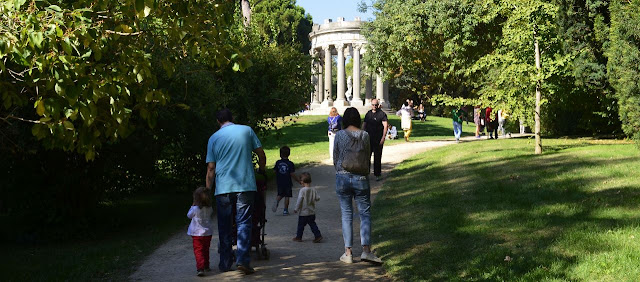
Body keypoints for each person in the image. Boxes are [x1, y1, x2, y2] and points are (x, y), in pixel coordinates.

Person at [205, 108, 266, 275]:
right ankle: (243, 260)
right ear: (233, 118)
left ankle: (225, 263)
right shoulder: (246, 130)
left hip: (223, 188)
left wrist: (207, 190)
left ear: (218, 121)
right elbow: (260, 153)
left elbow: (211, 168)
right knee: (244, 223)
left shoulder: (214, 138)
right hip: (245, 185)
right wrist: (261, 169)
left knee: (224, 226)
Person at [333, 107, 382, 264]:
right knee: (365, 214)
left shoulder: (339, 135)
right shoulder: (365, 135)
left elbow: (335, 156)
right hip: (361, 177)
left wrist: (341, 169)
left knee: (346, 214)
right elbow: (368, 155)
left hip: (342, 177)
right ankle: (366, 251)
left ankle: (348, 253)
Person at [187, 187, 214, 276]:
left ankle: (200, 268)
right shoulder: (210, 208)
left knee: (198, 250)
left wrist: (192, 205)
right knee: (206, 250)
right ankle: (206, 265)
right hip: (207, 233)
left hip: (197, 233)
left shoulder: (194, 209)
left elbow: (189, 216)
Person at [292, 172, 323, 243]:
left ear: (302, 182)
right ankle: (318, 235)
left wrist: (296, 209)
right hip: (312, 212)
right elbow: (317, 198)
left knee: (300, 225)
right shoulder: (313, 189)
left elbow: (299, 200)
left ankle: (298, 237)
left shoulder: (302, 190)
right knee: (312, 224)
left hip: (303, 212)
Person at [362, 98, 388, 181]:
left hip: (378, 138)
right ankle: (366, 173)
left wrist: (383, 137)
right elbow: (364, 125)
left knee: (377, 157)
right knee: (366, 157)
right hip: (368, 138)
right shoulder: (368, 114)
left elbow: (385, 126)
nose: (374, 106)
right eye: (373, 105)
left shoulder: (382, 114)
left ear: (378, 105)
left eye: (376, 105)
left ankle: (377, 174)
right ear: (371, 105)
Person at [272, 146, 300, 216]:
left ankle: (277, 201)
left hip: (280, 181)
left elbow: (274, 171)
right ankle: (285, 210)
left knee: (280, 194)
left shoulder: (278, 162)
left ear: (280, 154)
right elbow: (292, 173)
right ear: (289, 154)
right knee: (287, 196)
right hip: (288, 182)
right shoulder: (290, 164)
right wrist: (298, 180)